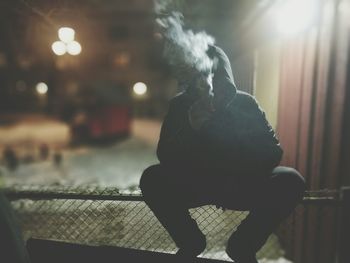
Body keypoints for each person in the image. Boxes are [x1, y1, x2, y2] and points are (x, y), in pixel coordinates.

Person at [140, 45, 306, 263]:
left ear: (225, 82)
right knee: (152, 177)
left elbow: (272, 152)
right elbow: (166, 156)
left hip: (239, 183)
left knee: (290, 180)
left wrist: (229, 140)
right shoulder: (181, 105)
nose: (210, 93)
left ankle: (242, 245)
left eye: (217, 85)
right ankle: (190, 242)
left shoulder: (245, 103)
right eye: (202, 84)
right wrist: (191, 130)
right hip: (195, 183)